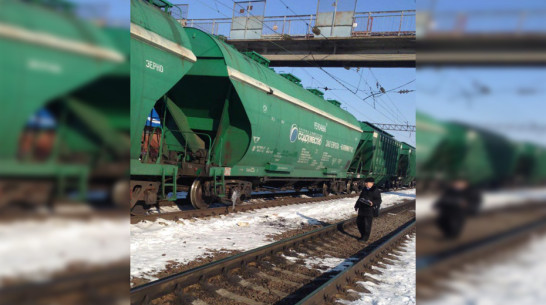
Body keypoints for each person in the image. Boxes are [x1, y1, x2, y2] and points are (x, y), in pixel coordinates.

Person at [354, 177, 382, 242]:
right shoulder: (364, 189)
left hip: (369, 210)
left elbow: (379, 200)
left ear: (372, 183)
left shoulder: (376, 190)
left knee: (367, 224)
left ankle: (365, 237)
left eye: (367, 182)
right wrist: (356, 206)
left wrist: (373, 203)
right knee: (359, 223)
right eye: (365, 182)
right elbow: (360, 198)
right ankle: (362, 235)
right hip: (362, 209)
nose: (366, 184)